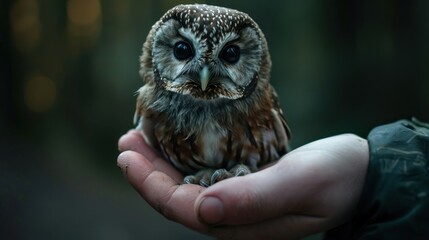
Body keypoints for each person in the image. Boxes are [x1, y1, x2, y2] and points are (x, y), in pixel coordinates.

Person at [117, 118, 429, 239]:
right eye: (183, 52)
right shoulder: (153, 102)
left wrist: (372, 169)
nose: (204, 73)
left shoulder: (256, 99)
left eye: (230, 55)